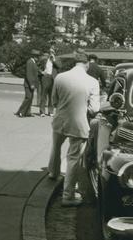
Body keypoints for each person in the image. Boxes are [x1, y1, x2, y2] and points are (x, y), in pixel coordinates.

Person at [47, 52, 100, 207]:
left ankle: (53, 172)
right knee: (73, 158)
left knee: (56, 147)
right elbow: (95, 108)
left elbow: (54, 101)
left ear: (75, 63)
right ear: (87, 64)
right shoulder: (92, 81)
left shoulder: (60, 77)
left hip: (60, 120)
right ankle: (68, 195)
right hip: (78, 123)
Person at [14, 49, 41, 118]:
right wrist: (31, 84)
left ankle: (27, 112)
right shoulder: (30, 62)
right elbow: (29, 74)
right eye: (37, 56)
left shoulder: (33, 62)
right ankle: (21, 112)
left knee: (30, 98)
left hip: (32, 84)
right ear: (34, 56)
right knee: (28, 98)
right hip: (28, 84)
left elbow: (35, 71)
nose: (38, 57)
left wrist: (41, 72)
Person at [39, 50, 56, 116]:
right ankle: (42, 112)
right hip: (45, 77)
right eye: (51, 52)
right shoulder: (44, 60)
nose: (51, 54)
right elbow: (37, 66)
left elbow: (59, 66)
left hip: (53, 78)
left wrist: (54, 59)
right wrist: (41, 72)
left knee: (51, 96)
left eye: (53, 52)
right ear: (49, 53)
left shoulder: (56, 60)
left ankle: (50, 111)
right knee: (43, 95)